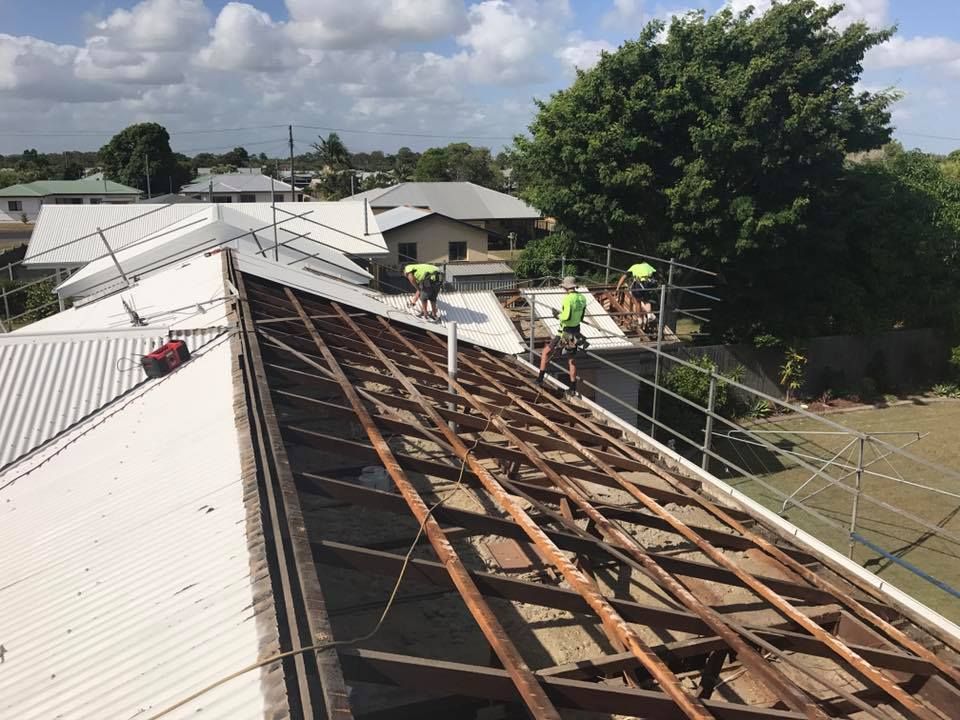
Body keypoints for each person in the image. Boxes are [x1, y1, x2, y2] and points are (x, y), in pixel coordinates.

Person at [537, 276, 587, 394]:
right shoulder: (582, 298)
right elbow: (581, 317)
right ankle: (573, 388)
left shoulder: (567, 299)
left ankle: (540, 379)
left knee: (546, 353)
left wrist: (557, 315)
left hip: (565, 332)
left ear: (565, 287)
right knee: (571, 360)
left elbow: (566, 317)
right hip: (575, 330)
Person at [615, 261, 658, 330]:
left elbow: (624, 277)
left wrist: (618, 288)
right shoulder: (648, 266)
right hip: (647, 285)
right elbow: (657, 275)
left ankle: (639, 319)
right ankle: (649, 315)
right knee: (647, 301)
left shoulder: (634, 266)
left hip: (638, 285)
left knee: (637, 302)